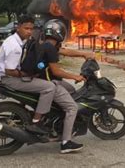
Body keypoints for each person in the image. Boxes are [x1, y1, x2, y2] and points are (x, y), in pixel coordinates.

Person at [38, 20, 94, 154]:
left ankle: (59, 119)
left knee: (71, 90)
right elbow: (56, 72)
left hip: (44, 81)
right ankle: (66, 142)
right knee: (72, 107)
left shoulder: (46, 45)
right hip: (50, 83)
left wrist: (83, 54)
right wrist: (75, 76)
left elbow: (65, 51)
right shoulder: (50, 48)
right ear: (60, 33)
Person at [0, 14, 55, 135]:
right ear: (18, 27)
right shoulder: (15, 47)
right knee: (49, 87)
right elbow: (10, 71)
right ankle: (36, 122)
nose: (29, 32)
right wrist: (25, 75)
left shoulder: (15, 40)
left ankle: (25, 113)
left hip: (8, 77)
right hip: (10, 79)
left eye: (31, 29)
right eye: (26, 28)